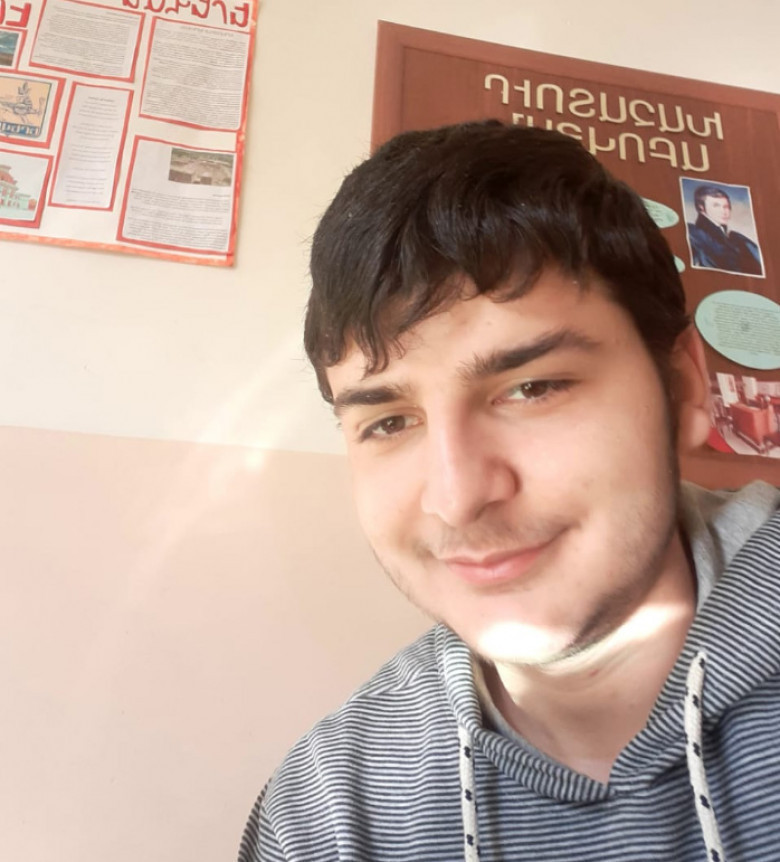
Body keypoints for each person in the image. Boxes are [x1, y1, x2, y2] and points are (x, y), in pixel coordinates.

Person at [239, 122, 780, 861]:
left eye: (532, 387)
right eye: (389, 421)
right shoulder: (329, 812)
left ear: (685, 386)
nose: (457, 497)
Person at [687, 184, 763, 276]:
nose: (724, 211)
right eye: (716, 206)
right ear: (701, 208)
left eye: (726, 206)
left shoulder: (736, 238)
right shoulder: (694, 234)